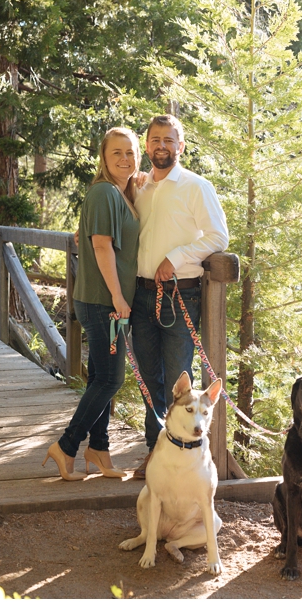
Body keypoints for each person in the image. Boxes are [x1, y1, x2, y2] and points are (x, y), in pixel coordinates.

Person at [131, 114, 228, 479]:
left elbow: (218, 237)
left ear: (180, 146)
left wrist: (176, 258)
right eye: (155, 139)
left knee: (178, 381)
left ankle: (187, 460)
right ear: (147, 145)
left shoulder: (195, 186)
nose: (161, 146)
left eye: (169, 140)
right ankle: (155, 455)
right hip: (141, 297)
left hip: (179, 297)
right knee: (149, 380)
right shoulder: (140, 188)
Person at [44, 127, 141, 480]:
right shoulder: (104, 192)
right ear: (103, 157)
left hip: (106, 301)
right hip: (104, 303)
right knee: (111, 379)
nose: (124, 159)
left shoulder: (120, 192)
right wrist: (118, 296)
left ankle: (99, 449)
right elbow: (101, 246)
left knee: (101, 375)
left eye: (130, 152)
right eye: (116, 152)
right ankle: (67, 445)